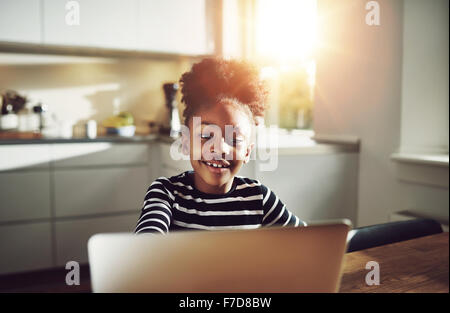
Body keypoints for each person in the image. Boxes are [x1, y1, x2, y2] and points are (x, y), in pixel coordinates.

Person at [134, 58, 305, 234]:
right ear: (185, 142)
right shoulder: (165, 193)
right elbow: (145, 244)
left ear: (247, 151)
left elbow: (308, 240)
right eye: (207, 135)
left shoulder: (259, 198)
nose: (220, 148)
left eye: (234, 139)